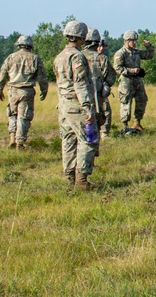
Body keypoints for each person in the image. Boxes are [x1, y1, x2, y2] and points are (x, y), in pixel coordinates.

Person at [54, 20, 98, 189]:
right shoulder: (77, 56)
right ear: (82, 36)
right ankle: (81, 179)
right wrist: (87, 107)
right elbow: (80, 84)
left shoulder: (59, 57)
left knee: (68, 140)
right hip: (76, 104)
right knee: (89, 138)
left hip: (64, 105)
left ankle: (69, 176)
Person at [0, 35, 48, 150]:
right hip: (26, 91)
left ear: (19, 44)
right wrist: (44, 90)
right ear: (30, 45)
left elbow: (2, 74)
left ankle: (12, 139)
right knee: (24, 116)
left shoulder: (11, 57)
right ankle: (20, 142)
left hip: (12, 91)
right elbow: (42, 77)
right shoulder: (35, 58)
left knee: (12, 115)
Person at [113, 30, 154, 131]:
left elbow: (149, 55)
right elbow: (117, 68)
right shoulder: (120, 53)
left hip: (137, 80)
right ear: (127, 41)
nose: (134, 42)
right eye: (132, 40)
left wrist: (149, 47)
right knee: (126, 102)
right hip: (126, 81)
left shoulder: (136, 52)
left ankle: (137, 123)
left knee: (142, 100)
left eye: (135, 40)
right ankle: (125, 126)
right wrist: (132, 70)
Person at [81, 28, 115, 140]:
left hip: (81, 94)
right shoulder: (102, 58)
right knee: (102, 113)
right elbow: (110, 76)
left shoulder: (78, 56)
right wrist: (106, 85)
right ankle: (101, 135)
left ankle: (86, 136)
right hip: (97, 94)